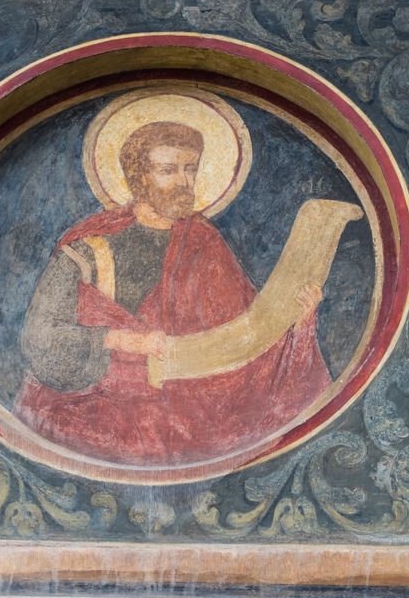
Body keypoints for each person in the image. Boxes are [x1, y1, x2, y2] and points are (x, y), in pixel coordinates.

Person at [16, 119, 329, 465]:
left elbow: (247, 338)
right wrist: (124, 341)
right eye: (168, 170)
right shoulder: (89, 247)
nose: (184, 182)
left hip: (189, 411)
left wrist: (297, 320)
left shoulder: (205, 243)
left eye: (190, 169)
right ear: (139, 177)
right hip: (96, 408)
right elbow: (40, 337)